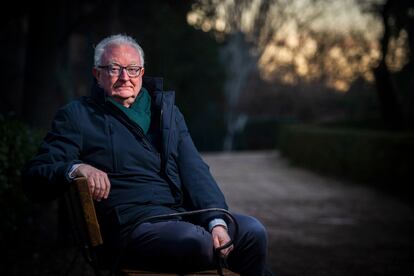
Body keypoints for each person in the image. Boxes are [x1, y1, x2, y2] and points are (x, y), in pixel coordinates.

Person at [22, 34, 272, 275]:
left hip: (179, 216)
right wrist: (76, 168)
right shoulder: (77, 116)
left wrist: (216, 221)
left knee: (252, 232)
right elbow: (35, 175)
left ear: (142, 73)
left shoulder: (167, 113)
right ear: (97, 74)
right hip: (129, 227)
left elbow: (196, 172)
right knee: (197, 243)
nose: (124, 77)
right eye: (113, 68)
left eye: (132, 69)